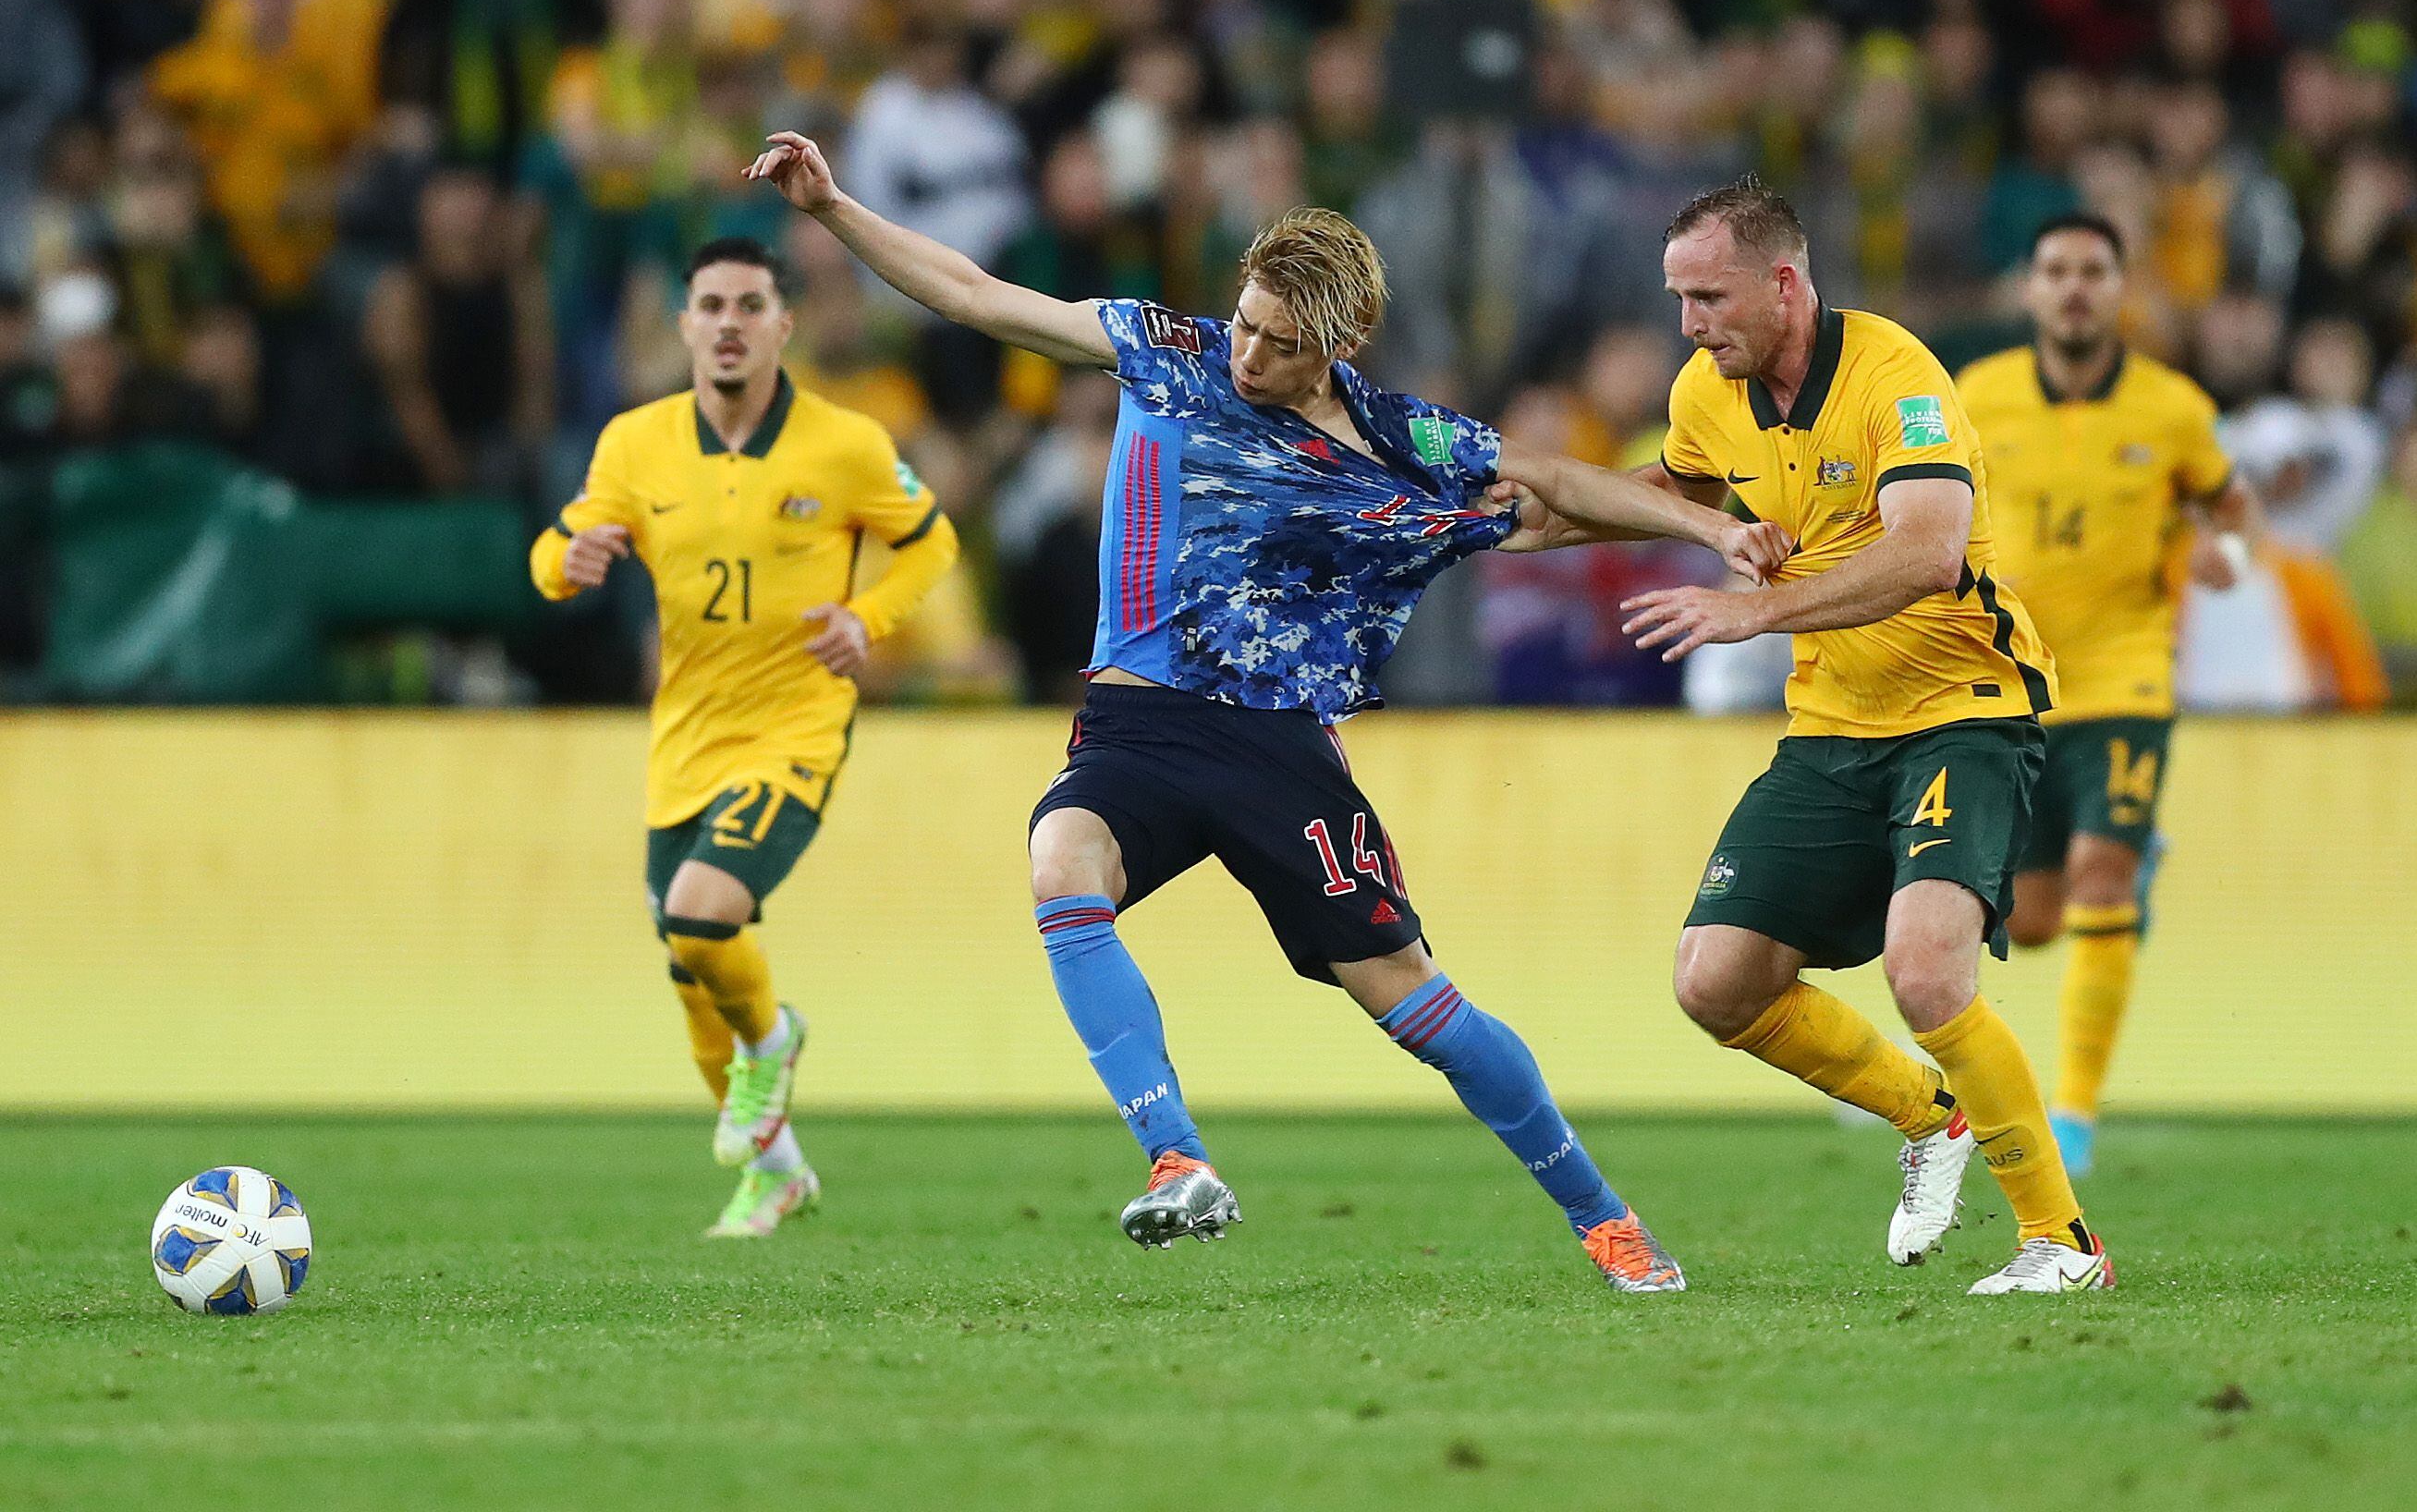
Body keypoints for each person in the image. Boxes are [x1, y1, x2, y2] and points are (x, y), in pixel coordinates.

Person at [744, 130, 1788, 1293]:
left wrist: (1710, 529)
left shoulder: (1399, 439)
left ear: (1340, 344)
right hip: (1136, 725)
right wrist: (833, 208)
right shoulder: (1162, 349)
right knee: (1060, 860)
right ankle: (1175, 1158)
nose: (1245, 351)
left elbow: (1550, 486)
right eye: (1243, 319)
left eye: (1279, 341)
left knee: (1410, 1001)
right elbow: (980, 296)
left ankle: (1605, 1220)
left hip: (1278, 743)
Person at [1506, 177, 2109, 1294]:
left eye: (1706, 297)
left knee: (1925, 972)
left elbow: (1929, 548)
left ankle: (2060, 1244)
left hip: (1961, 709)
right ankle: (1932, 1119)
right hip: (1832, 726)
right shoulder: (1707, 393)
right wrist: (1499, 523)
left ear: (1782, 284)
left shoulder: (1896, 377)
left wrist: (1753, 611)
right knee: (1715, 980)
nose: (1687, 324)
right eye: (1676, 299)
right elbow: (1649, 493)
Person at [529, 236, 959, 1238]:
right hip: (684, 740)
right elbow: (551, 551)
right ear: (683, 325)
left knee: (699, 915)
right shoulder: (634, 444)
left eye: (749, 304)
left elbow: (929, 540)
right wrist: (570, 559)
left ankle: (775, 1039)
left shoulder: (843, 444)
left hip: (795, 726)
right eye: (710, 305)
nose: (728, 322)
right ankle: (778, 1173)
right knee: (690, 974)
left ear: (783, 324)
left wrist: (869, 618)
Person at [1957, 213, 2256, 1177]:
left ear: (2119, 289)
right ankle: (2126, 874)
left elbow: (2229, 505)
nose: (2074, 287)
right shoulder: (1978, 395)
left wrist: (2225, 553)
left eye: (2092, 270)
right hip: (2012, 680)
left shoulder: (2170, 407)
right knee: (2031, 922)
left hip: (2127, 673)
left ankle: (2072, 1115)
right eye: (2056, 270)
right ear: (2029, 290)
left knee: (2097, 877)